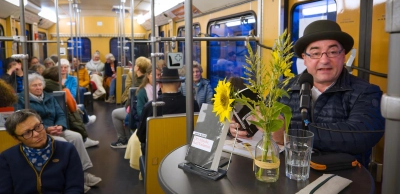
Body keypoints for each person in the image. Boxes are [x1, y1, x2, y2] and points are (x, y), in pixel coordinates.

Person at [230, 20, 385, 166]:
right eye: (315, 53)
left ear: (343, 56)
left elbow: (360, 135)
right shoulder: (283, 88)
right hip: (286, 172)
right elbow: (263, 120)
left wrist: (287, 134)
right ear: (304, 58)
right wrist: (243, 129)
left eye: (332, 52)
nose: (324, 60)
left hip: (343, 177)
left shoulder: (366, 92)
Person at [17, 73, 102, 192]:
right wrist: (45, 129)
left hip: (56, 128)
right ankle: (72, 179)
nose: (38, 87)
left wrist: (60, 126)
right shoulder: (22, 100)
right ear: (28, 88)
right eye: (34, 85)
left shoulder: (48, 97)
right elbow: (26, 122)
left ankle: (83, 173)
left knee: (76, 136)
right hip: (39, 132)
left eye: (40, 85)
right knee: (62, 142)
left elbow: (61, 113)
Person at [0, 110, 84, 193]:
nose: (36, 134)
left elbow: (75, 187)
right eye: (27, 133)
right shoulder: (6, 158)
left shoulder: (67, 150)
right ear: (17, 139)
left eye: (37, 126)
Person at [137, 67, 200, 156]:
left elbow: (142, 137)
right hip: (185, 153)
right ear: (179, 84)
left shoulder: (152, 106)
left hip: (158, 155)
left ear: (161, 85)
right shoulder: (192, 104)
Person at [109, 58, 152, 148]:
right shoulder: (148, 79)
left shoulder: (138, 81)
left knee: (115, 114)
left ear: (138, 68)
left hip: (136, 110)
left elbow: (130, 95)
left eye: (135, 65)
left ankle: (123, 140)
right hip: (139, 108)